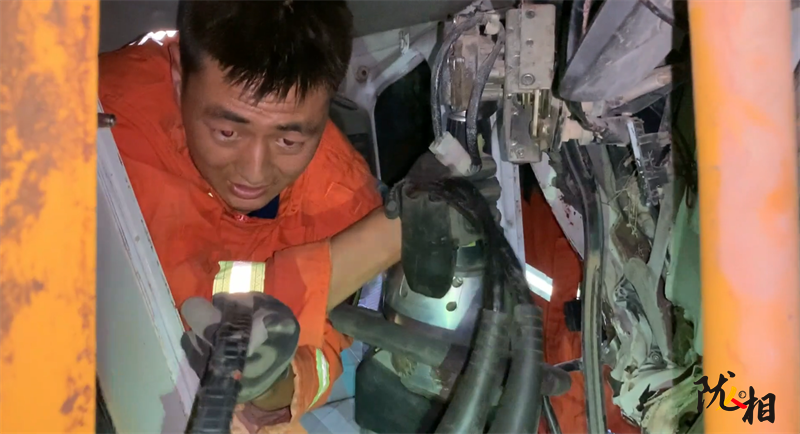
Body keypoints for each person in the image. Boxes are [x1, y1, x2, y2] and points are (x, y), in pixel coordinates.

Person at [98, 0, 404, 432]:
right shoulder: (96, 116)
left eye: (289, 141)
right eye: (227, 132)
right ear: (180, 76)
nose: (254, 173)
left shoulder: (342, 198)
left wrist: (273, 390)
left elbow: (322, 351)